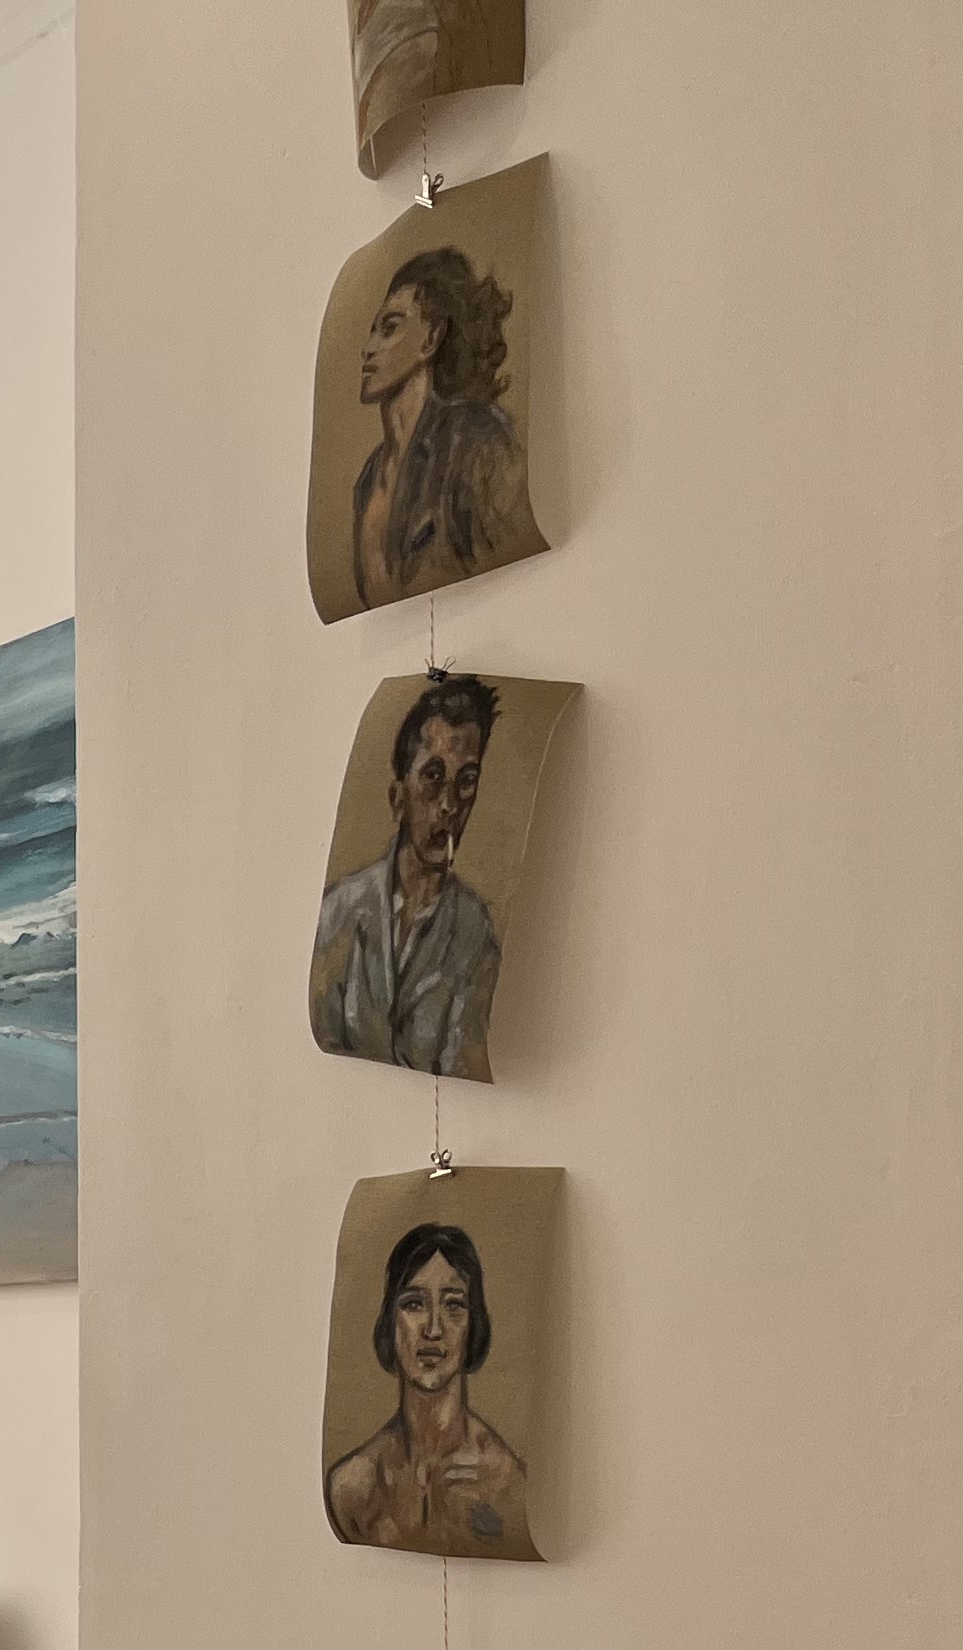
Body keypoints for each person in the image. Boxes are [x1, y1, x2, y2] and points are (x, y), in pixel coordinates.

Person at [312, 672, 504, 1076]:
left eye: (466, 782)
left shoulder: (476, 933)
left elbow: (465, 1061)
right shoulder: (339, 912)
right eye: (433, 776)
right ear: (398, 798)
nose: (449, 805)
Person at [324, 1220, 530, 1554]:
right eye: (414, 1304)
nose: (433, 1330)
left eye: (453, 1305)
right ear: (390, 1323)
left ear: (473, 1324)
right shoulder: (352, 1488)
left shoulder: (506, 1482)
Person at [346, 244, 531, 610]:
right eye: (372, 331)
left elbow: (512, 569)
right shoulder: (369, 479)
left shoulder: (476, 440)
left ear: (430, 339)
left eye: (390, 328)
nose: (368, 348)